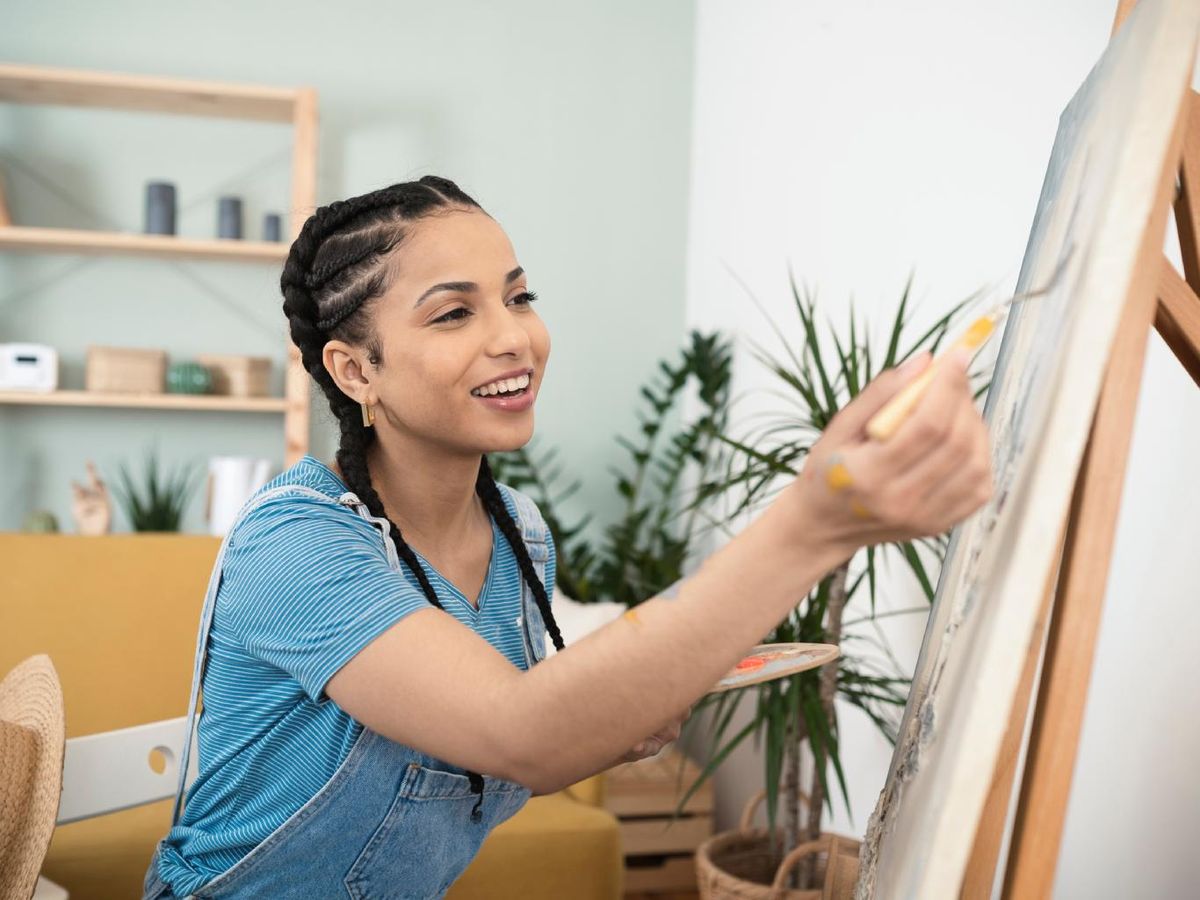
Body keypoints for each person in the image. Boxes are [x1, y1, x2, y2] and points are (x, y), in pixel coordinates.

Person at [141, 176, 991, 899]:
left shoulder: (521, 539)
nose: (513, 337)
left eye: (518, 297)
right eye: (452, 316)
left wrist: (609, 721)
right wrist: (813, 524)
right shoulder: (296, 544)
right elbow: (520, 732)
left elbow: (513, 739)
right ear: (356, 370)